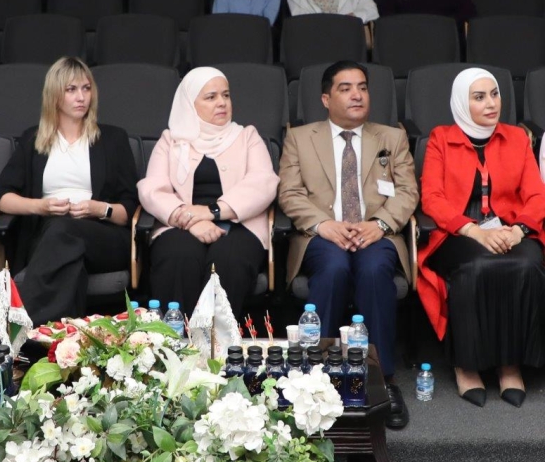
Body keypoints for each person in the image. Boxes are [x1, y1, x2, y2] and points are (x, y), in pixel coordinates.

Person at [278, 61, 418, 430]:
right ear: (326, 99)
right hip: (321, 234)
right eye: (345, 88)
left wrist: (380, 224)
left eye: (362, 87)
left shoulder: (392, 137)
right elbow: (289, 193)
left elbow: (407, 192)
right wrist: (323, 225)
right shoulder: (300, 138)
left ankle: (381, 379)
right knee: (334, 268)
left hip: (377, 233)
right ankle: (314, 380)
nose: (357, 95)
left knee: (374, 270)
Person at [417, 69, 545, 408]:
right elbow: (432, 198)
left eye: (495, 94)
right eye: (479, 97)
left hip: (510, 228)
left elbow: (536, 195)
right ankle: (467, 364)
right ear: (462, 102)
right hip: (457, 231)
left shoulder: (517, 138)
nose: (491, 103)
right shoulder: (441, 138)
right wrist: (473, 230)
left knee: (527, 264)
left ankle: (510, 364)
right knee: (477, 265)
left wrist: (518, 230)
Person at [0, 57, 138, 326]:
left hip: (102, 237)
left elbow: (128, 209)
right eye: (71, 90)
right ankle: (65, 336)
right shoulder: (33, 139)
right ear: (55, 96)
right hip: (48, 235)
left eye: (86, 88)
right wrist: (41, 207)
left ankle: (25, 328)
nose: (81, 97)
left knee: (63, 230)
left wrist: (100, 209)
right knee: (68, 257)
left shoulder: (113, 139)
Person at [137, 67, 279, 318]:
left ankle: (215, 341)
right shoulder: (171, 140)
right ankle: (176, 337)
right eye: (211, 97)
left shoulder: (247, 136)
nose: (222, 102)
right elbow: (152, 189)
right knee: (179, 256)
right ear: (190, 104)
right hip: (180, 224)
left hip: (239, 224)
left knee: (227, 260)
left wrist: (212, 212)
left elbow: (262, 183)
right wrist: (189, 219)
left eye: (226, 95)